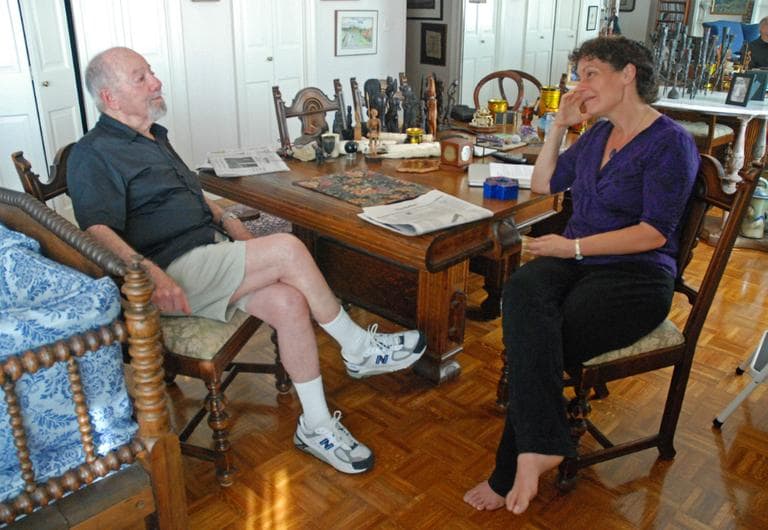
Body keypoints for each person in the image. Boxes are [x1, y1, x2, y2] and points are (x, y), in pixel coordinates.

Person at [66, 47, 427, 475]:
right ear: (110, 98)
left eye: (151, 73)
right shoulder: (93, 153)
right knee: (287, 248)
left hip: (208, 250)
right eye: (141, 77)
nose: (156, 82)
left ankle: (315, 427)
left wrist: (227, 217)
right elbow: (96, 230)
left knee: (290, 304)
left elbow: (189, 192)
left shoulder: (154, 136)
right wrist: (149, 272)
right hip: (169, 271)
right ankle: (357, 347)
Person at [464, 36, 699, 514]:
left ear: (628, 73)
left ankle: (513, 466)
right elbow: (545, 183)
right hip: (578, 261)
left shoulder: (670, 143)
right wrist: (557, 129)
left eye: (590, 73)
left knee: (546, 336)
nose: (579, 85)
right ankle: (545, 445)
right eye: (578, 74)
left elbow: (654, 234)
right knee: (523, 292)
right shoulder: (595, 133)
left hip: (636, 276)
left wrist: (570, 246)